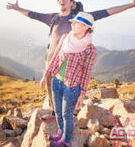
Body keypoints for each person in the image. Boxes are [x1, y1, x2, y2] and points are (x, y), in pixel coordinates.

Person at [6, 0, 135, 121]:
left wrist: (132, 4)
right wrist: (17, 8)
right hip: (51, 63)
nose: (61, 0)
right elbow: (33, 15)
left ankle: (68, 117)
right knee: (52, 93)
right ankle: (55, 114)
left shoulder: (81, 18)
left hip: (70, 66)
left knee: (68, 95)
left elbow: (107, 12)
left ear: (72, 3)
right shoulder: (52, 18)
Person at [40, 12, 96, 147]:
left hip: (71, 87)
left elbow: (86, 73)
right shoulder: (65, 38)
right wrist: (45, 75)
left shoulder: (90, 49)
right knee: (58, 112)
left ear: (86, 27)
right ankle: (61, 132)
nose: (73, 24)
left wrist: (82, 94)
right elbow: (55, 58)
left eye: (77, 23)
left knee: (67, 115)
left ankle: (65, 141)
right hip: (56, 81)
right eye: (73, 22)